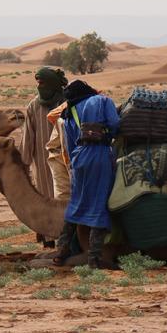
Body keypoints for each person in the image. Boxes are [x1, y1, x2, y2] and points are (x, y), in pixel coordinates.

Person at [53, 80, 118, 269]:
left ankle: (61, 250)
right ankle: (94, 258)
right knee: (99, 202)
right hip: (100, 156)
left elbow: (70, 143)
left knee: (76, 202)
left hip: (79, 158)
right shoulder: (102, 100)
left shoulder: (68, 113)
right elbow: (114, 124)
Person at [18, 66, 68, 244]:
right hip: (41, 161)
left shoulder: (66, 102)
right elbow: (28, 135)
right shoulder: (33, 105)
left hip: (64, 159)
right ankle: (47, 237)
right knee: (46, 198)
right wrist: (24, 160)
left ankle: (64, 236)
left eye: (43, 83)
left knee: (63, 197)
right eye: (38, 83)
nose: (40, 86)